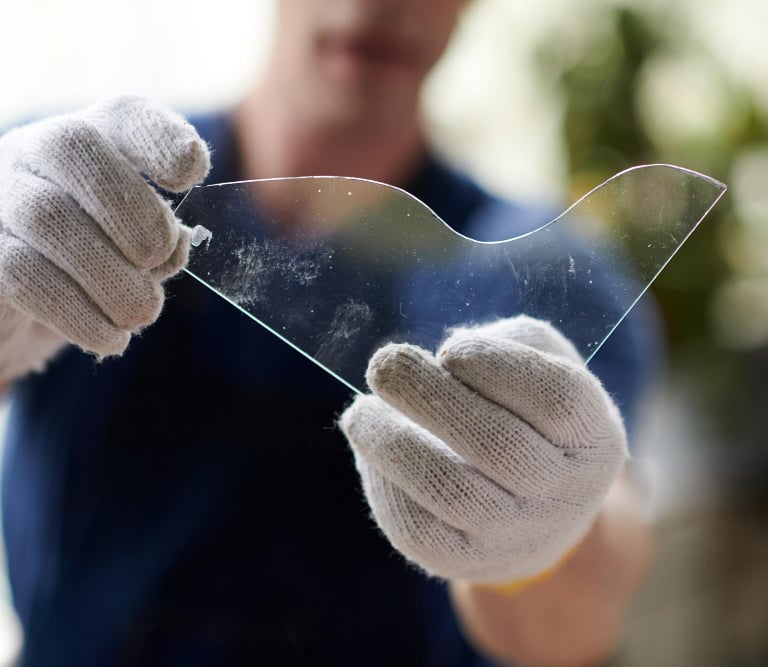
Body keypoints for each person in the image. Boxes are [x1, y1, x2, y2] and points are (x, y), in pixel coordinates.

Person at [0, 1, 659, 665]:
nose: (380, 6)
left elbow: (580, 616)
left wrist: (545, 538)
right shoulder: (75, 181)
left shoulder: (543, 277)